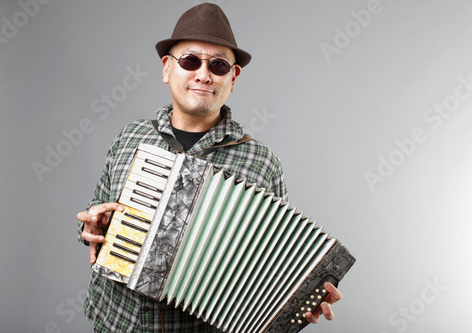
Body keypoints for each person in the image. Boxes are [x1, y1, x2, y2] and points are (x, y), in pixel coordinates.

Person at [76, 3, 342, 332]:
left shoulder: (261, 162)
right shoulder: (129, 138)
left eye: (218, 65)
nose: (203, 74)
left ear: (233, 77)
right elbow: (94, 219)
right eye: (190, 61)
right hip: (117, 323)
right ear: (166, 68)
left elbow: (272, 263)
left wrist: (298, 299)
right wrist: (93, 227)